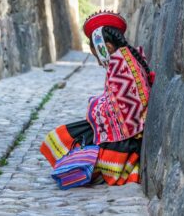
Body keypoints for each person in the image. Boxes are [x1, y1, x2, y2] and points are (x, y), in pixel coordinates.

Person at [40, 11, 155, 186]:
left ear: (106, 47)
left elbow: (125, 110)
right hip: (118, 131)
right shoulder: (124, 59)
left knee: (62, 139)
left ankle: (101, 166)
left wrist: (95, 105)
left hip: (124, 140)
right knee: (62, 138)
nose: (98, 62)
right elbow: (117, 101)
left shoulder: (121, 65)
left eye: (97, 56)